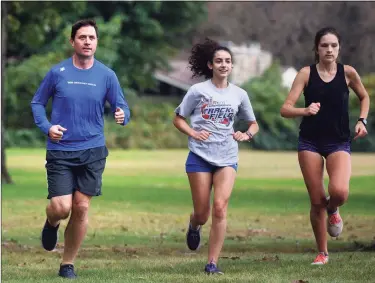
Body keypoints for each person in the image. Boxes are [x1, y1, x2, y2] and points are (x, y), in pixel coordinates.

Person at [31, 19, 131, 278]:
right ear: (72, 41)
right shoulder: (57, 72)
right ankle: (52, 222)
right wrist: (47, 126)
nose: (87, 41)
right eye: (82, 37)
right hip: (60, 149)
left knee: (82, 207)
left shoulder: (107, 75)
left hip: (93, 149)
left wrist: (122, 114)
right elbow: (37, 103)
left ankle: (67, 264)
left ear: (97, 42)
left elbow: (122, 105)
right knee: (62, 207)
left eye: (92, 38)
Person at [280, 27, 370, 265]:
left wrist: (362, 120)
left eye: (333, 45)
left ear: (339, 48)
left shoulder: (348, 73)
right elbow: (285, 108)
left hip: (339, 141)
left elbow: (364, 96)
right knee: (317, 198)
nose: (329, 50)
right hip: (309, 141)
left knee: (340, 192)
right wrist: (304, 110)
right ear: (317, 49)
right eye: (324, 45)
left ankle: (334, 210)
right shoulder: (306, 74)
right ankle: (322, 252)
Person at [173, 38, 259, 274]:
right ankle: (194, 225)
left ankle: (212, 263)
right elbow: (178, 117)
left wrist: (246, 135)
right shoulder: (197, 91)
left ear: (232, 66)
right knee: (203, 212)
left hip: (227, 156)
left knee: (220, 207)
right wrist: (192, 132)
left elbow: (253, 124)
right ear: (210, 65)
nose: (224, 65)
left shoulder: (239, 94)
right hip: (199, 156)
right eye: (219, 61)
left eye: (228, 61)